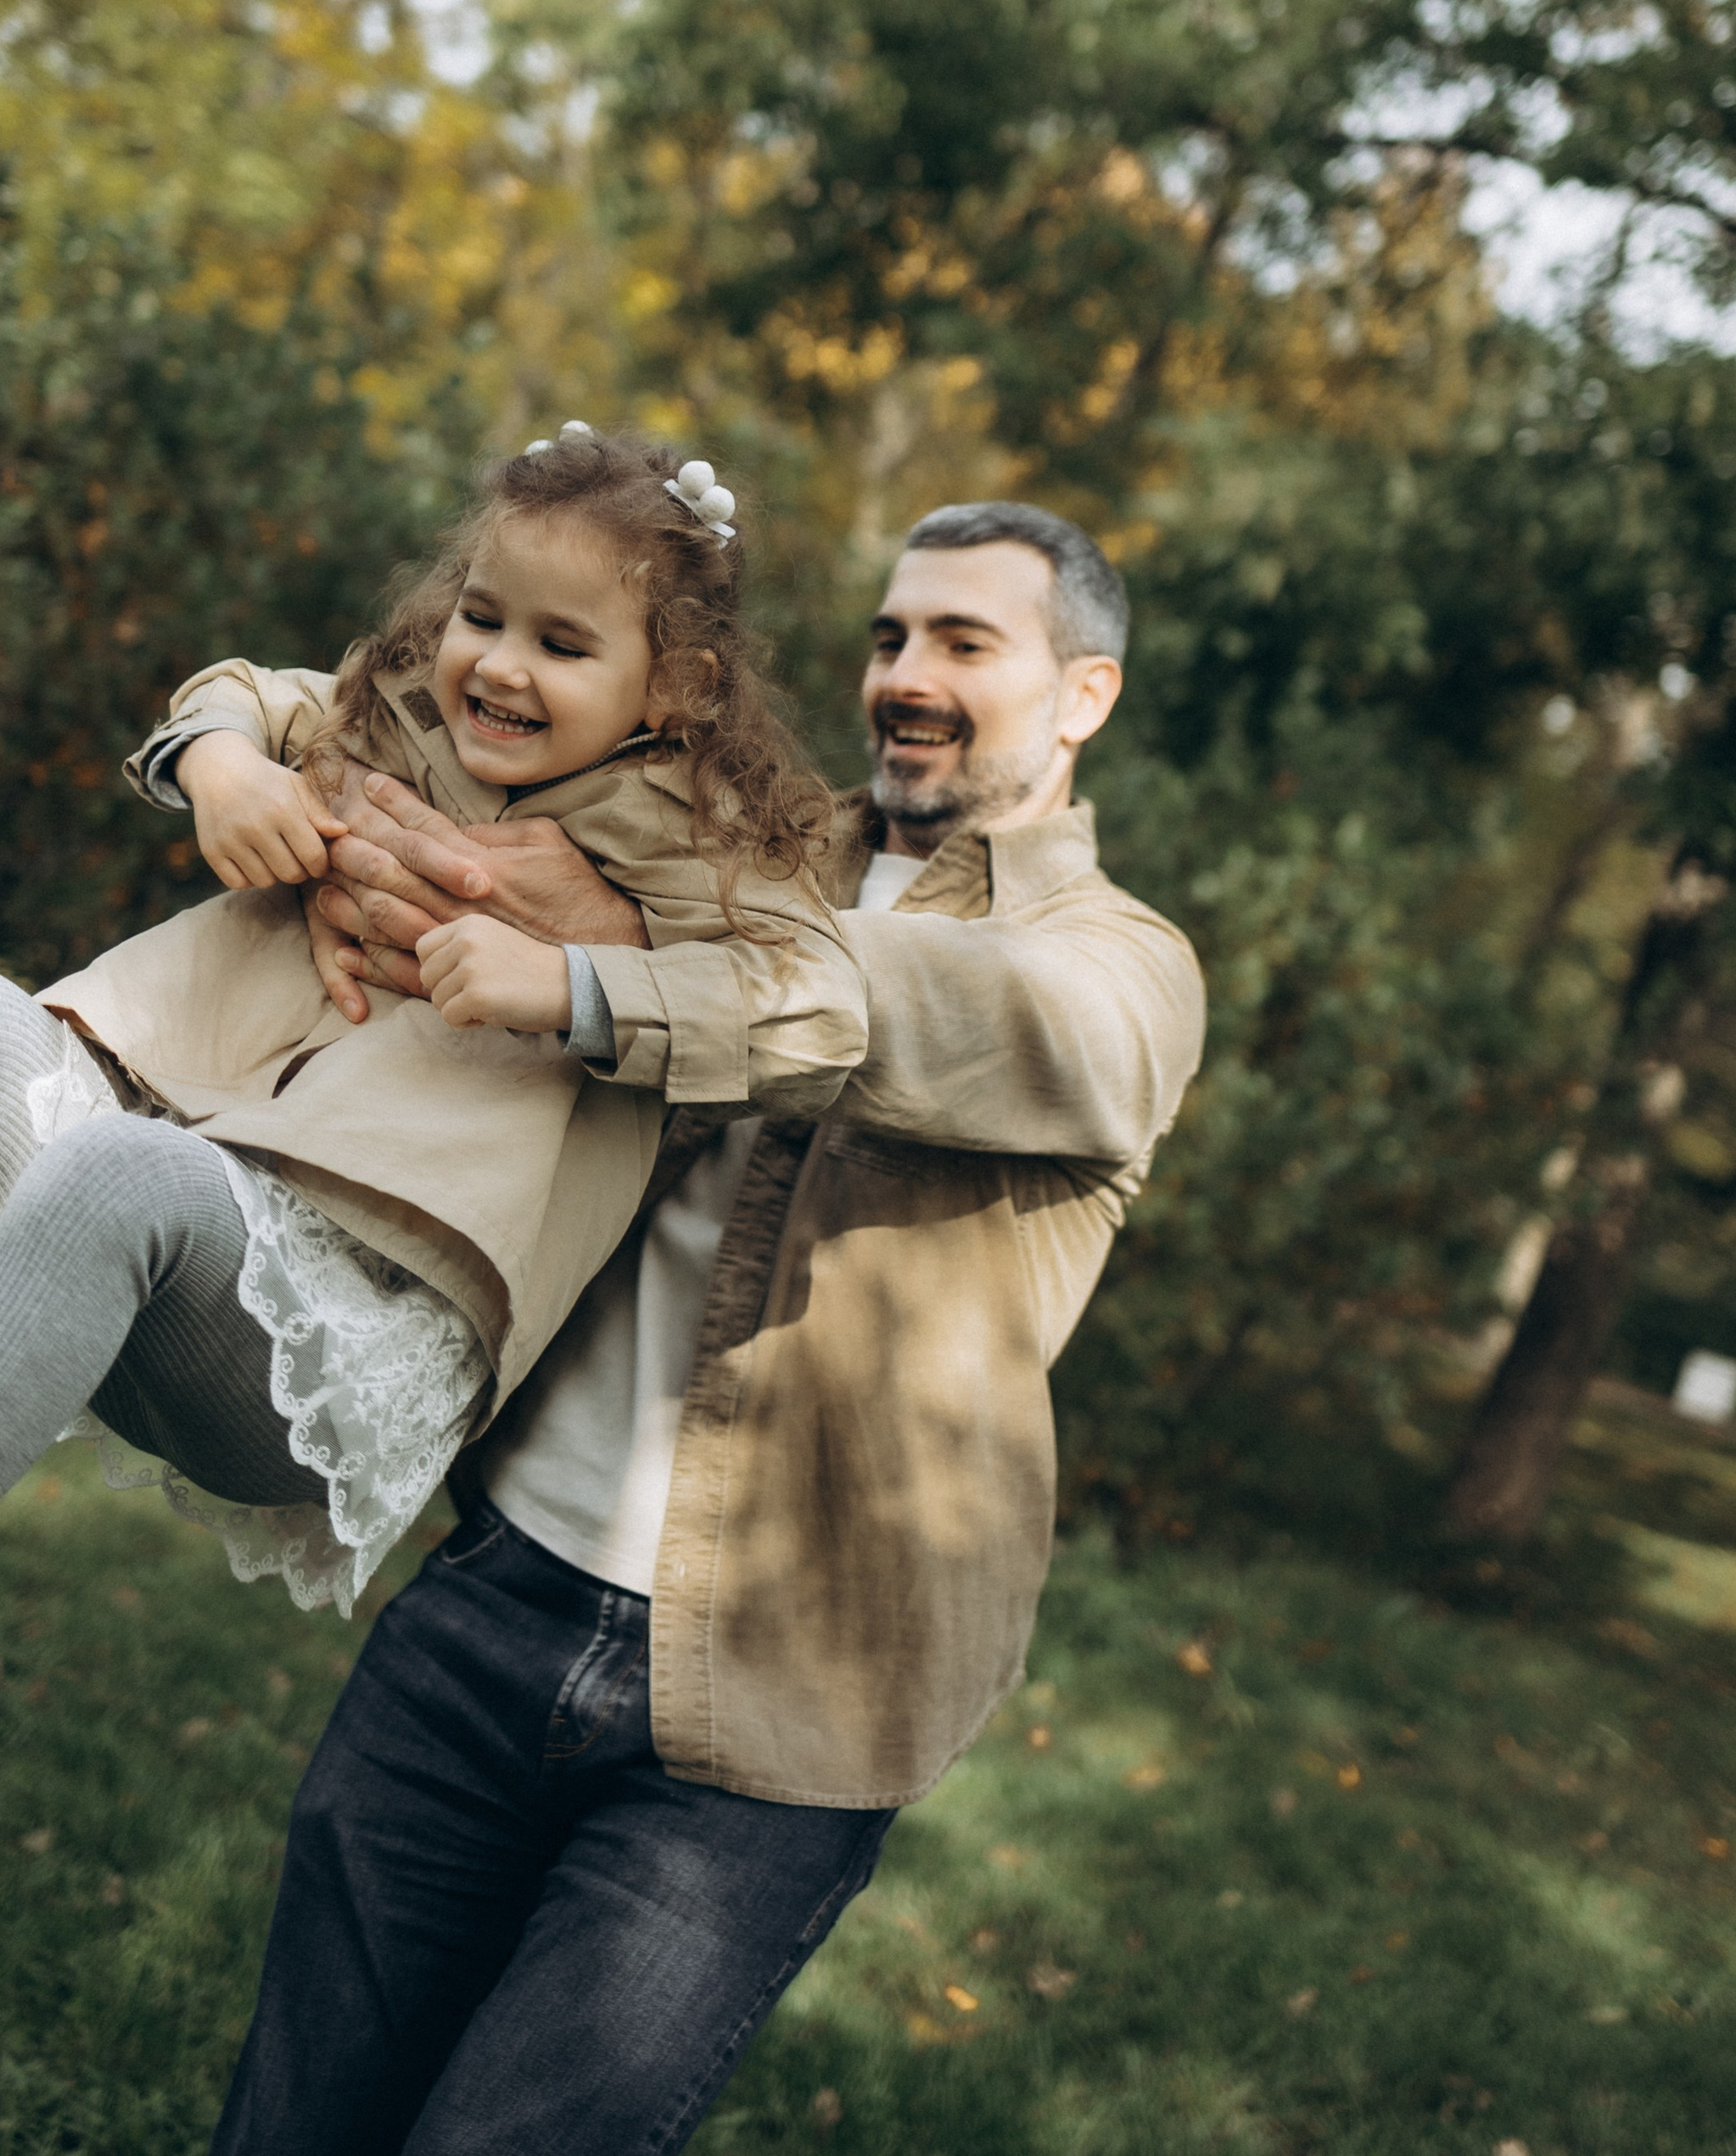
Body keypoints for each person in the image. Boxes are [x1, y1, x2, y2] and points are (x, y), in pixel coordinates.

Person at [204, 499, 1207, 2156]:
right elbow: (407, 720)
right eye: (891, 635)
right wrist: (230, 756)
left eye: (965, 642)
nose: (906, 673)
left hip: (772, 1719)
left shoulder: (1120, 971)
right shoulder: (725, 840)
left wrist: (609, 970)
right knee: (293, 2123)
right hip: (493, 1601)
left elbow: (894, 1009)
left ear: (1080, 697)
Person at [0, 428, 861, 1786]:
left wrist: (575, 986)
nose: (499, 664)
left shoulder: (701, 843)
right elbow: (247, 694)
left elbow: (820, 1013)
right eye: (481, 615)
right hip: (176, 1193)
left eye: (563, 645)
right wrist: (221, 768)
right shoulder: (396, 716)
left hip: (333, 1334)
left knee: (125, 1176)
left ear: (675, 684)